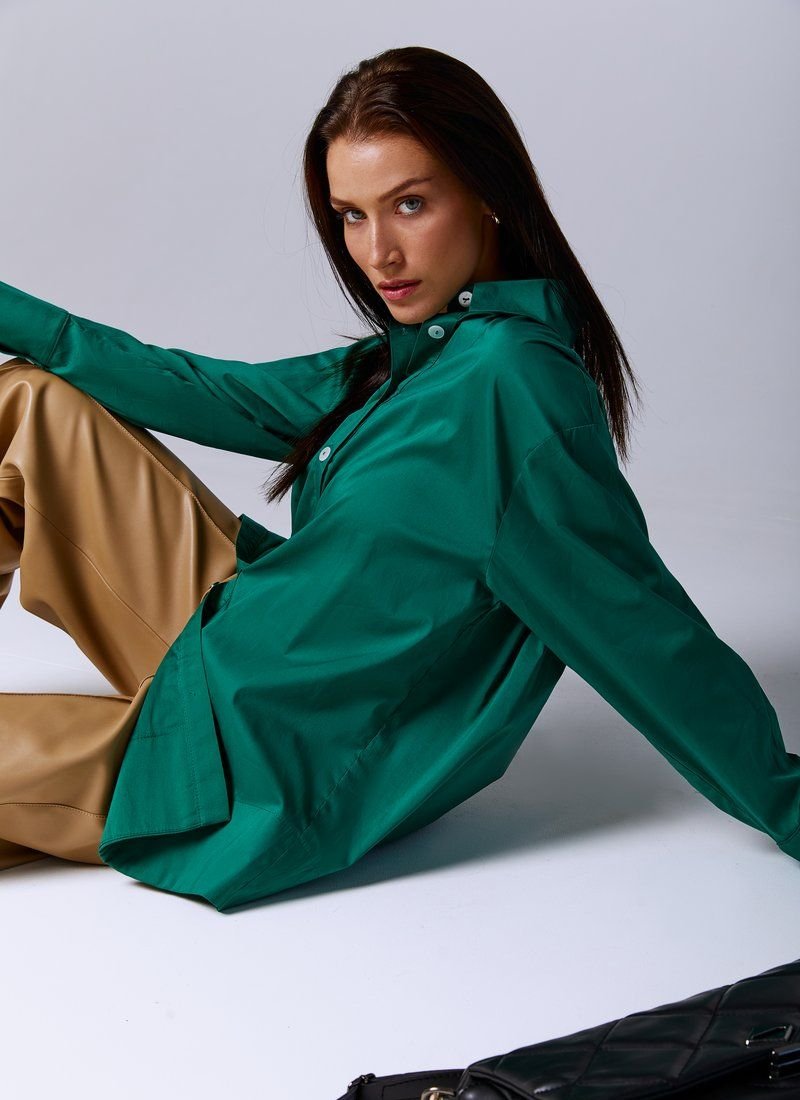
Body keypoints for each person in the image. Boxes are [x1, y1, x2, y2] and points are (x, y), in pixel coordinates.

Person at [1, 45, 798, 913]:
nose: (377, 252)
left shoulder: (512, 390)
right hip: (229, 629)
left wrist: (788, 802)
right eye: (351, 215)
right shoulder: (419, 356)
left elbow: (647, 633)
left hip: (259, 758)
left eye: (410, 204)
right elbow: (209, 391)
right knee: (28, 402)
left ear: (488, 193)